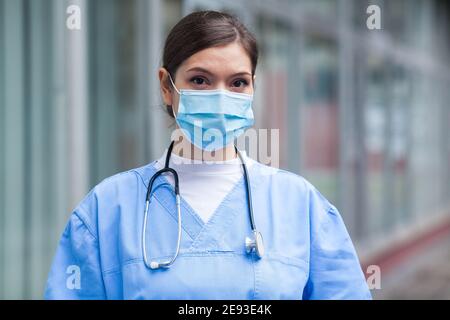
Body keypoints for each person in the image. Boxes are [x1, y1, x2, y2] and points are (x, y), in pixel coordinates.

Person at [44, 10, 371, 300]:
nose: (219, 97)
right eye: (200, 80)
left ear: (253, 88)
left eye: (237, 83)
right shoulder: (107, 210)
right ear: (166, 86)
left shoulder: (301, 206)